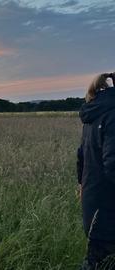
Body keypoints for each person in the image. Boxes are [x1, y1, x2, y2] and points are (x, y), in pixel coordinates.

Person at [78, 72, 115, 269]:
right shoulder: (113, 112)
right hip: (109, 209)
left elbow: (81, 156)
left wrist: (82, 186)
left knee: (97, 260)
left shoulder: (97, 109)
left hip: (94, 203)